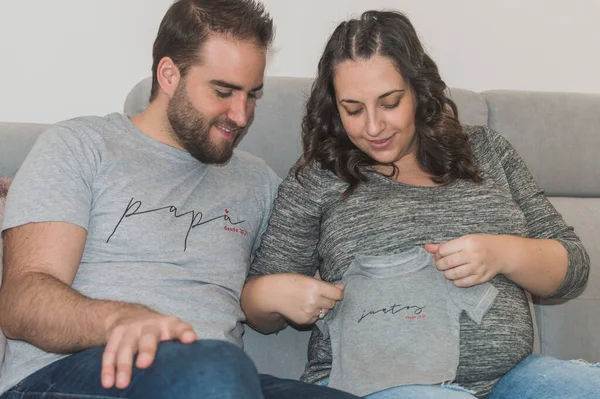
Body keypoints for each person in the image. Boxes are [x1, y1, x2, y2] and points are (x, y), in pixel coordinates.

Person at [0, 1, 361, 398]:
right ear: (169, 74)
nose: (241, 116)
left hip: (222, 380)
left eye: (252, 95)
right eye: (223, 92)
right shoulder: (80, 146)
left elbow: (298, 272)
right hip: (78, 372)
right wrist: (115, 319)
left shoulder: (258, 180)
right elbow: (23, 301)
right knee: (215, 369)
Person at [241, 10, 597, 399]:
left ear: (418, 91)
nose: (373, 127)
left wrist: (504, 254)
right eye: (353, 109)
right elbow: (259, 309)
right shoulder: (319, 176)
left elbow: (572, 268)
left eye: (389, 102)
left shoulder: (487, 150)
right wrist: (275, 294)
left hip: (513, 379)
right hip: (371, 385)